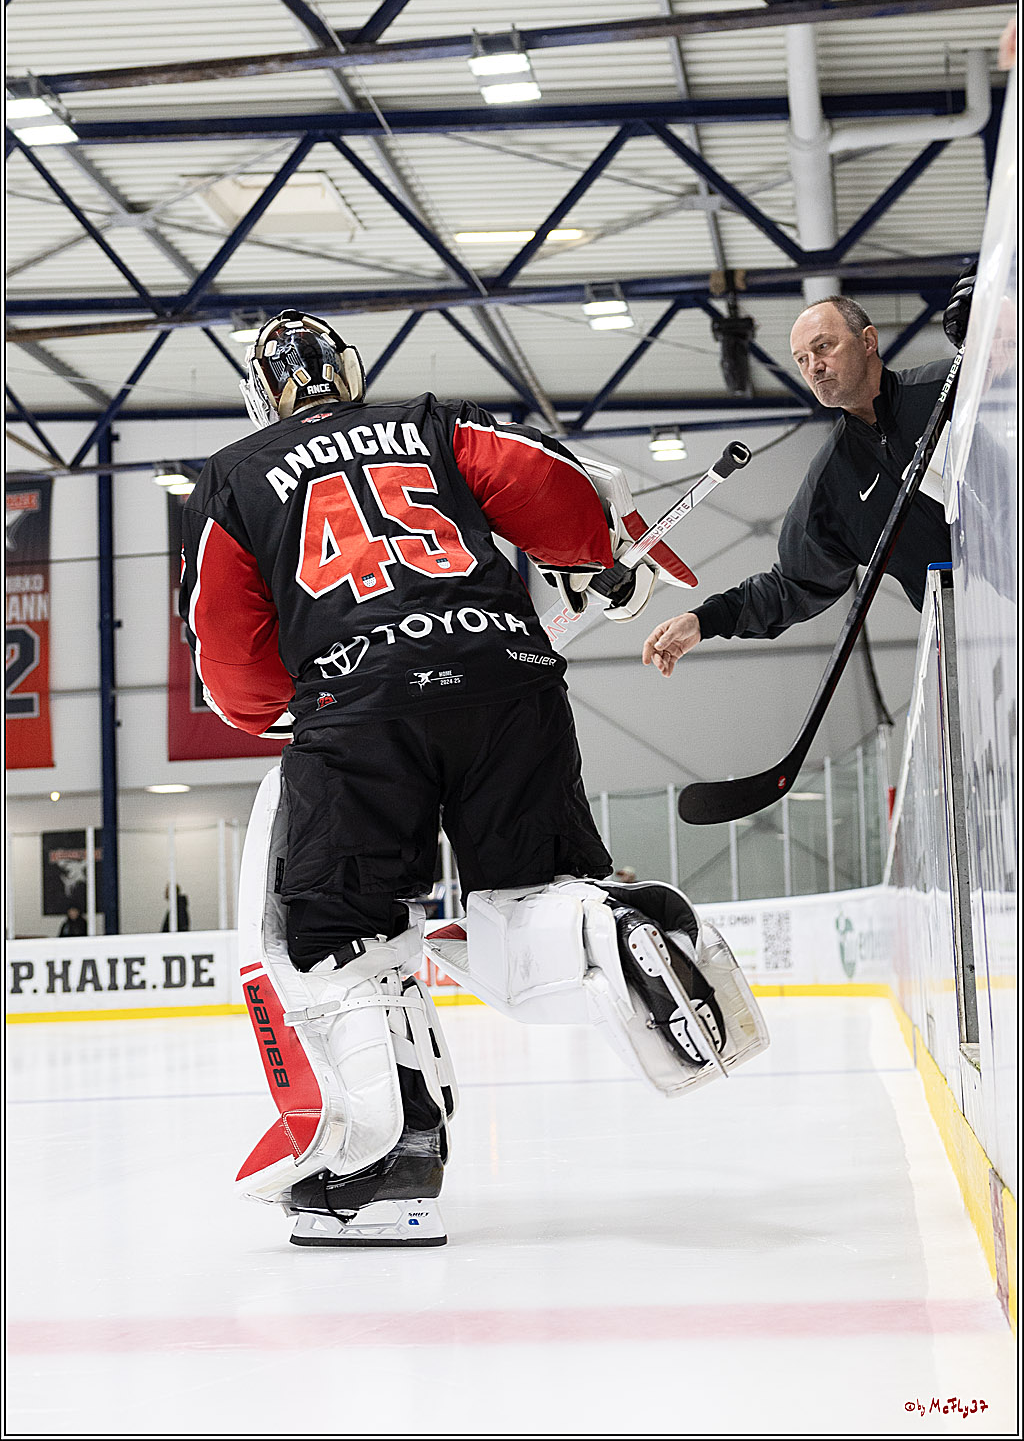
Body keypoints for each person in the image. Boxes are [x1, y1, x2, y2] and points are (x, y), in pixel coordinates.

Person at [180, 310, 766, 1249]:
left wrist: (287, 713)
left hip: (360, 710)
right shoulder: (433, 425)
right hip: (510, 685)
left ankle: (384, 1167)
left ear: (262, 393)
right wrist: (600, 565)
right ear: (351, 370)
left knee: (337, 939)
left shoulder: (236, 477)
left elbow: (232, 666)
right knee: (533, 892)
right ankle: (607, 925)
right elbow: (564, 493)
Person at [643, 290, 967, 678]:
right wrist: (705, 620)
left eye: (824, 346)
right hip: (972, 631)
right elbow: (792, 585)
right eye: (802, 359)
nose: (814, 366)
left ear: (868, 341)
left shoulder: (950, 388)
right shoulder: (832, 481)